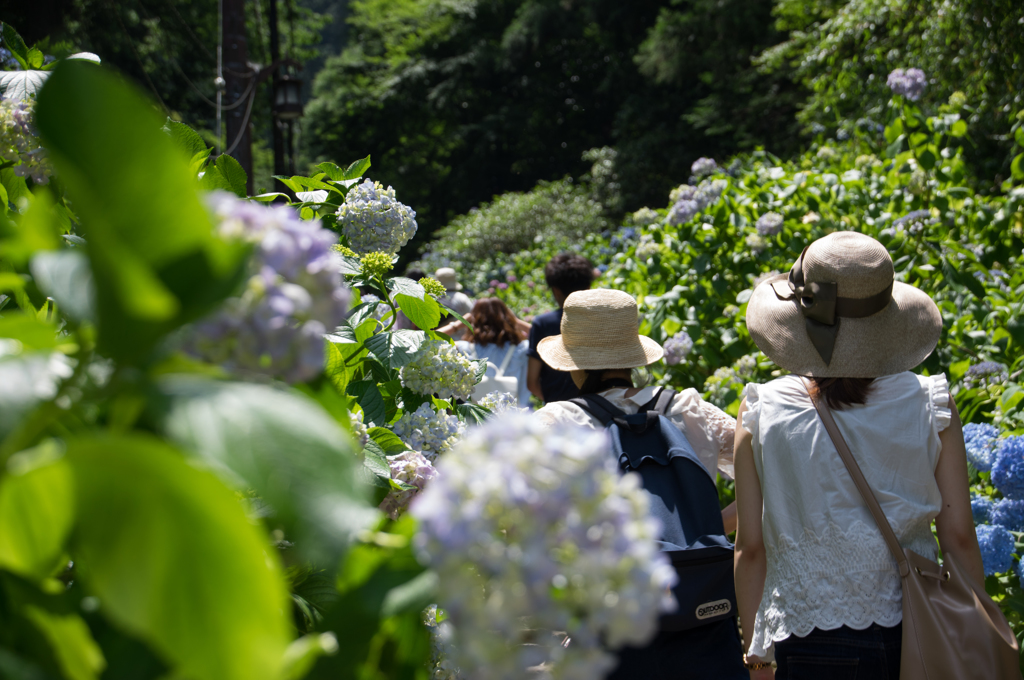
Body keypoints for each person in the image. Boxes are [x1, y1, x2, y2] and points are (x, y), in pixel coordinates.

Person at [734, 232, 984, 678]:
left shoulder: (762, 408)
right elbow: (959, 536)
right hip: (919, 628)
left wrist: (758, 659)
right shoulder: (930, 402)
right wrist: (974, 632)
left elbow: (751, 548)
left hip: (809, 635)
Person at [534, 288, 745, 679]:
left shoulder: (556, 424)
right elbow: (765, 480)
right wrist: (713, 527)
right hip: (702, 605)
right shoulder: (688, 410)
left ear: (572, 363)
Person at [526, 253, 595, 404]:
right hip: (599, 412)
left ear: (556, 290)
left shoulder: (542, 324)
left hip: (559, 415)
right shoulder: (602, 319)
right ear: (588, 286)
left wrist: (558, 405)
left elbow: (532, 382)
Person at [453, 298, 531, 406]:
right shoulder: (522, 348)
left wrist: (457, 324)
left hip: (477, 418)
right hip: (515, 416)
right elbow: (551, 339)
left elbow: (428, 339)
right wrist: (514, 320)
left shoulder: (464, 348)